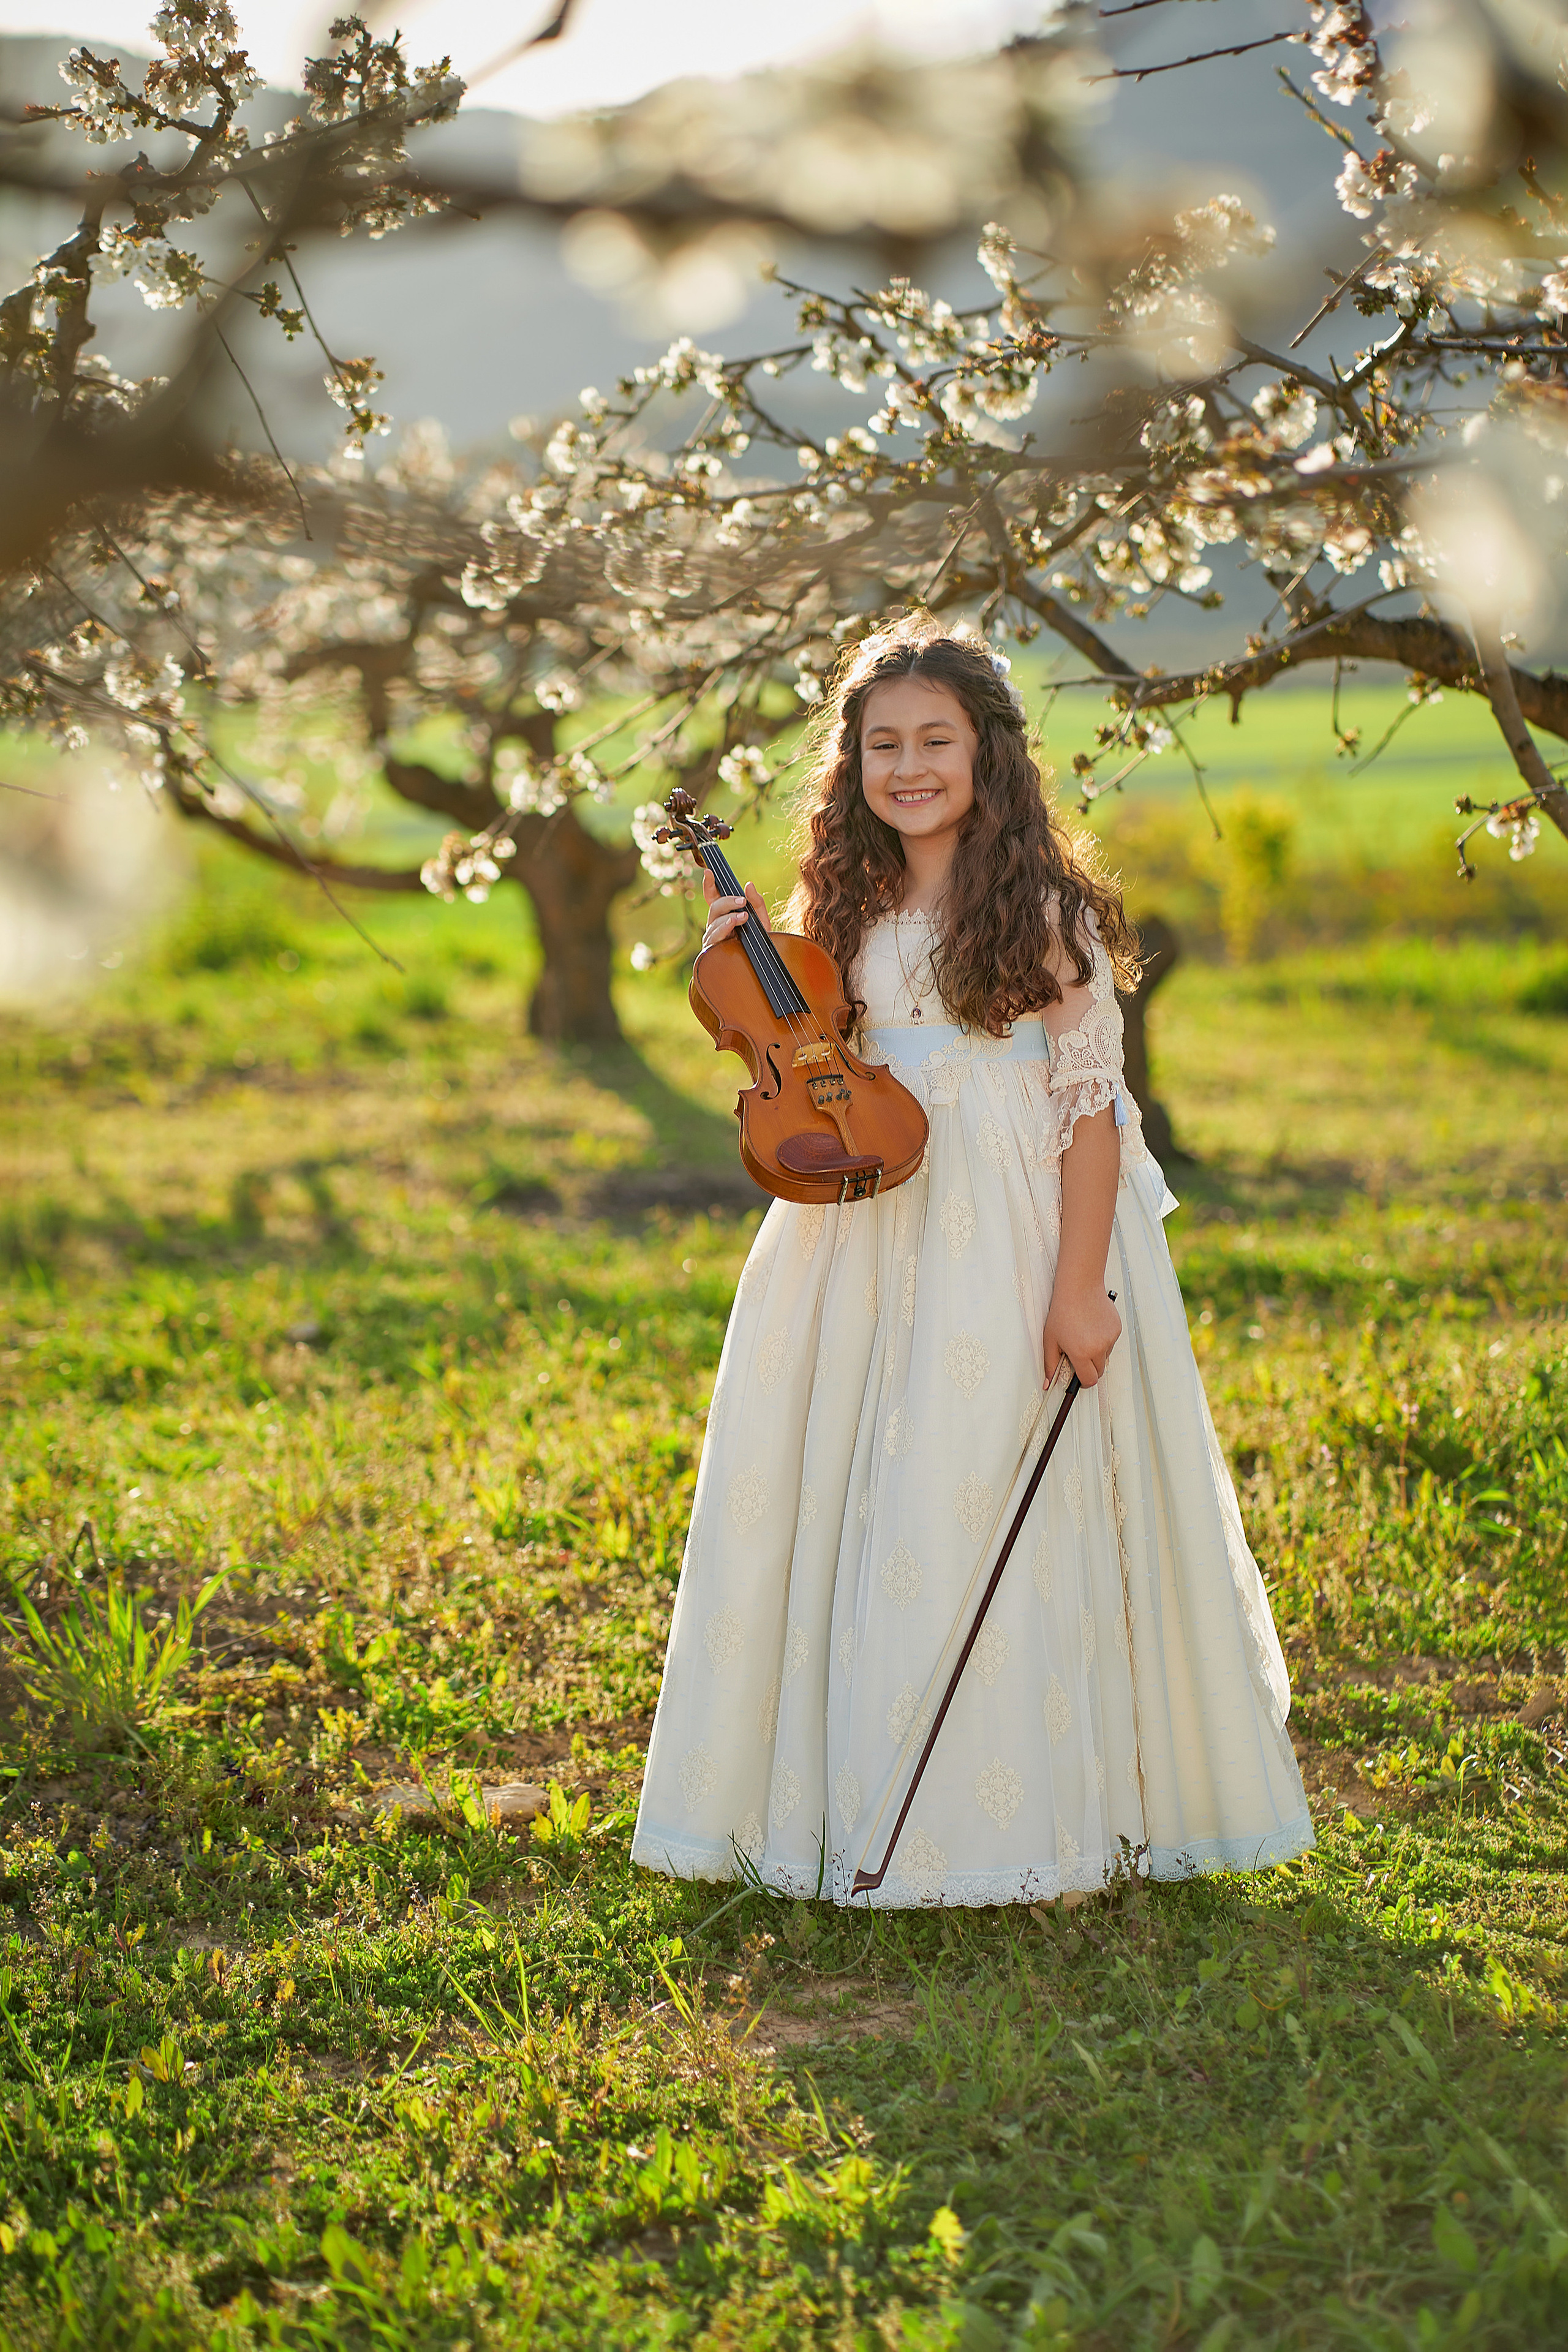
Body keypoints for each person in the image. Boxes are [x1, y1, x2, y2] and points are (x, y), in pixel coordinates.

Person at [631, 615, 1313, 1908]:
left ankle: (1026, 1816)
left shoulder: (1041, 910)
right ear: (851, 768)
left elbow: (1090, 1107)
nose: (906, 766)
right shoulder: (839, 904)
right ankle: (843, 1798)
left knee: (979, 1473)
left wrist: (1077, 1287)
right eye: (880, 744)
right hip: (866, 1219)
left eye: (933, 739)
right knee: (857, 1491)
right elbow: (794, 1040)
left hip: (1008, 1225)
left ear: (986, 754)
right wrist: (737, 949)